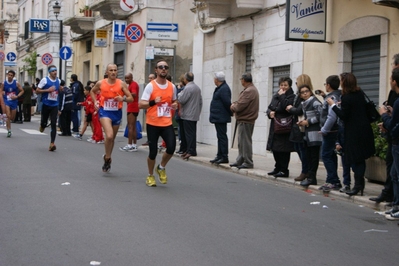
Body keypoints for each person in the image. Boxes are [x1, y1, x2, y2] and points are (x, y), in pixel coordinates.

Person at [327, 72, 375, 196]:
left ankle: (358, 185)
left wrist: (333, 106)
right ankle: (360, 185)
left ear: (345, 83)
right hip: (364, 130)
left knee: (354, 160)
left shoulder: (347, 97)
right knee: (360, 159)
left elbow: (344, 116)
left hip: (354, 133)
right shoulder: (359, 94)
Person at [139, 60, 178, 187]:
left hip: (166, 122)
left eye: (166, 67)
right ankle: (150, 176)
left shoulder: (172, 86)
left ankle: (161, 167)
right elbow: (141, 104)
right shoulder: (151, 86)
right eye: (161, 67)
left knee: (171, 148)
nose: (163, 69)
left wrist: (175, 105)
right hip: (153, 123)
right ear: (156, 70)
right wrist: (153, 102)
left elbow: (175, 102)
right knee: (153, 152)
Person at [91, 63, 133, 172]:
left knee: (112, 139)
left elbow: (131, 98)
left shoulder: (121, 84)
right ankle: (108, 158)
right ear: (107, 72)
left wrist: (122, 99)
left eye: (115, 70)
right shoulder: (101, 83)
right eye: (111, 70)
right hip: (104, 111)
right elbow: (92, 91)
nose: (113, 72)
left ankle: (107, 157)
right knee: (109, 136)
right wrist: (95, 101)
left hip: (116, 112)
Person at [369, 53, 399, 204]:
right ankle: (389, 194)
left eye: (393, 65)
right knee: (391, 166)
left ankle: (393, 197)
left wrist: (386, 116)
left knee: (394, 169)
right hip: (392, 132)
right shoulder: (394, 91)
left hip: (395, 134)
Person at [318, 75, 343, 191]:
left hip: (330, 130)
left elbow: (331, 116)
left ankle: (333, 180)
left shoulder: (332, 97)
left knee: (326, 155)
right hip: (335, 130)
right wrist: (324, 96)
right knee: (331, 155)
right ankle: (331, 179)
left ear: (328, 85)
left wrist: (324, 130)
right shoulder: (338, 95)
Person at [380, 68, 399, 221]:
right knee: (394, 174)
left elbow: (393, 125)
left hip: (397, 142)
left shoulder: (398, 101)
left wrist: (384, 115)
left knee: (396, 174)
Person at [266, 77, 295, 178]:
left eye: (285, 85)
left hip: (285, 126)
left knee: (284, 149)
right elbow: (270, 107)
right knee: (275, 148)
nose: (283, 87)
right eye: (281, 85)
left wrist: (282, 97)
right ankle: (277, 167)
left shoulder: (292, 96)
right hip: (275, 125)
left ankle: (284, 169)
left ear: (289, 86)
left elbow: (286, 107)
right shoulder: (276, 95)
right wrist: (270, 113)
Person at [229, 73, 259, 169]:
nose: (241, 81)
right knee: (241, 142)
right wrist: (235, 104)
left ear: (244, 80)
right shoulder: (250, 90)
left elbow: (240, 106)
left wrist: (233, 106)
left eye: (241, 79)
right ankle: (240, 159)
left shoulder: (249, 91)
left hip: (246, 119)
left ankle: (248, 161)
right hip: (244, 119)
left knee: (245, 142)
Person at [295, 84, 323, 187]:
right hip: (308, 134)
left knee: (313, 156)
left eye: (306, 91)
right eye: (302, 92)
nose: (305, 93)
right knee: (309, 156)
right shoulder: (305, 103)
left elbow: (320, 116)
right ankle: (310, 177)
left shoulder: (314, 102)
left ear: (310, 92)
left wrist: (308, 122)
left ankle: (312, 178)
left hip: (315, 133)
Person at [177, 72, 202, 160]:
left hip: (188, 114)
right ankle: (189, 150)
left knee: (188, 134)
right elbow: (200, 101)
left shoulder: (188, 88)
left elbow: (181, 99)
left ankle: (190, 150)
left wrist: (179, 92)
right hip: (194, 114)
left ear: (185, 79)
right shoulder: (197, 88)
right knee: (191, 133)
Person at [36, 65, 61, 151]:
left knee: (54, 123)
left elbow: (59, 92)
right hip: (46, 104)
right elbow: (37, 90)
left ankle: (52, 143)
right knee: (44, 122)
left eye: (56, 70)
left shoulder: (58, 81)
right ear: (50, 72)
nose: (55, 72)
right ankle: (42, 125)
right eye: (53, 71)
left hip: (54, 105)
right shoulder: (45, 80)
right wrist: (47, 90)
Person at [209, 71, 232, 164]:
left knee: (222, 137)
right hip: (218, 116)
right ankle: (219, 155)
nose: (214, 80)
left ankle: (224, 156)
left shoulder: (224, 89)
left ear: (217, 79)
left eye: (214, 78)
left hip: (221, 117)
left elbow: (227, 103)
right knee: (220, 136)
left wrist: (230, 112)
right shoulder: (220, 88)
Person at [0, 70, 24, 137]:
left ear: (13, 76)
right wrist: (2, 99)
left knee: (12, 118)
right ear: (7, 75)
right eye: (9, 75)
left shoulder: (16, 83)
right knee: (8, 115)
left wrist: (17, 96)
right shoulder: (4, 83)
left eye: (11, 75)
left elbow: (22, 91)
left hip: (14, 101)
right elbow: (0, 91)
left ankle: (8, 123)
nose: (10, 76)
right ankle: (9, 130)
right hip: (6, 100)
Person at [120, 73, 140, 152]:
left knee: (130, 126)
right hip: (133, 107)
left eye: (128, 78)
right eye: (125, 78)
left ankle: (129, 145)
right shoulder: (131, 84)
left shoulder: (133, 84)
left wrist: (125, 95)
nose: (126, 80)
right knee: (133, 127)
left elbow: (134, 94)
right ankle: (134, 145)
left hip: (132, 107)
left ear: (132, 77)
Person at [142, 73, 156, 146]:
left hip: (154, 110)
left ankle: (152, 141)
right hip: (148, 108)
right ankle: (149, 140)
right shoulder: (148, 87)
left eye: (151, 78)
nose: (149, 79)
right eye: (149, 78)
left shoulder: (156, 87)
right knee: (148, 124)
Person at [175, 74, 186, 154]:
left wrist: (178, 90)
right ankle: (182, 147)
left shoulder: (183, 89)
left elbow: (179, 99)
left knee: (182, 132)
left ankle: (183, 147)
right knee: (181, 131)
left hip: (181, 113)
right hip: (180, 113)